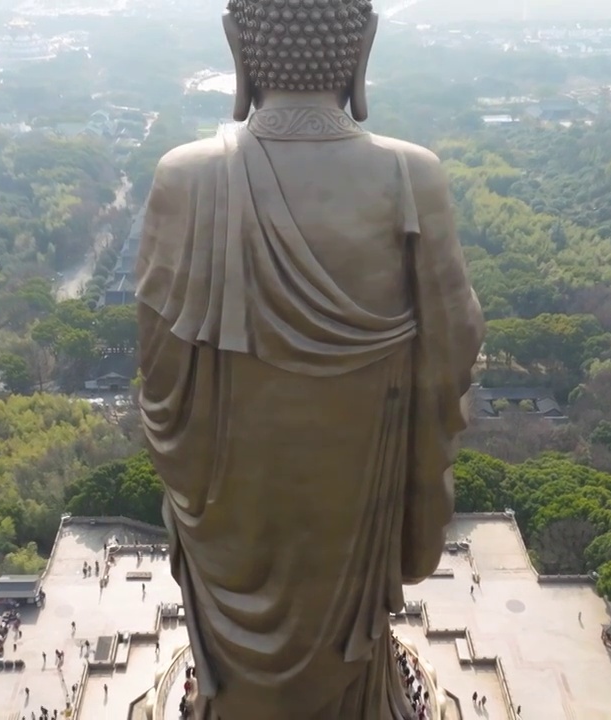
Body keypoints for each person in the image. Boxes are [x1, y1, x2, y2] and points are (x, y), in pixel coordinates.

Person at [136, 2, 483, 718]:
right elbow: (454, 344)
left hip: (234, 485)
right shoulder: (410, 175)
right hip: (358, 480)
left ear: (239, 45)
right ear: (362, 46)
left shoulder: (185, 176)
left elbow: (162, 382)